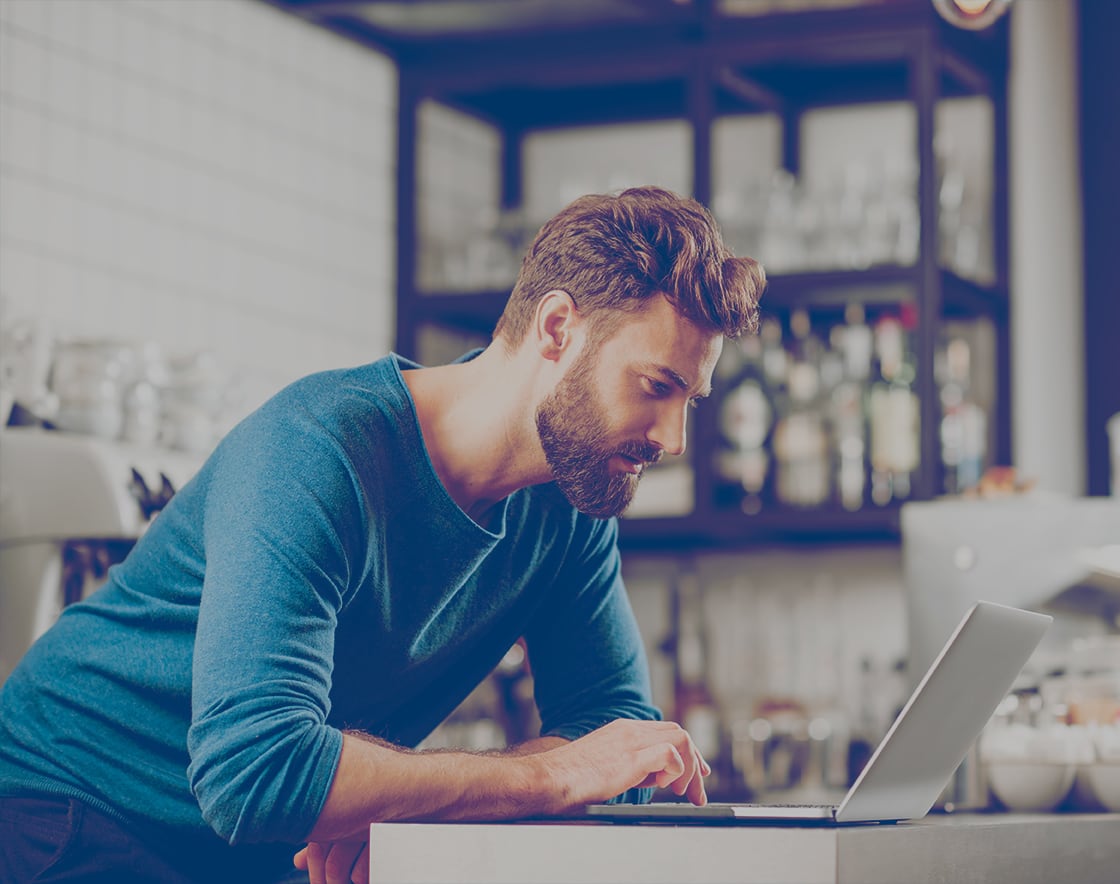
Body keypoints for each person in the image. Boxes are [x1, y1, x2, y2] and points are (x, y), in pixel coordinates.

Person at [0, 186, 765, 884]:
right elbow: (256, 773)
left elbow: (621, 743)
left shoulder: (568, 502)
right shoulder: (319, 448)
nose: (672, 438)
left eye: (690, 401)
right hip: (67, 808)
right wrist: (535, 779)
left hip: (257, 854)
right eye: (657, 387)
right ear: (558, 328)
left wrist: (420, 800)